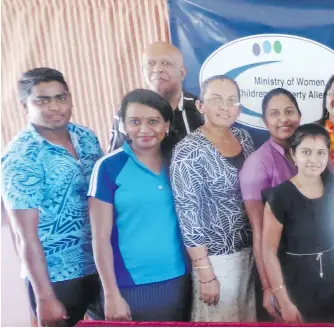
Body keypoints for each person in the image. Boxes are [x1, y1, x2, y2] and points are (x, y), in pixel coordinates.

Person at [1, 67, 103, 326]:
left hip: (101, 264)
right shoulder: (21, 157)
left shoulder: (86, 137)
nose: (55, 107)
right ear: (25, 105)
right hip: (57, 277)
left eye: (61, 97)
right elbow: (25, 235)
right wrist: (44, 297)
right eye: (42, 100)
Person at [88, 89, 190, 321]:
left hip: (179, 280)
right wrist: (111, 294)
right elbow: (99, 238)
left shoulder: (179, 162)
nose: (144, 129)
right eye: (135, 121)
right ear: (123, 125)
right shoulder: (108, 167)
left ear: (166, 125)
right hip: (129, 286)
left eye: (153, 121)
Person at [171, 75, 256, 322]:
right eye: (216, 99)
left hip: (249, 250)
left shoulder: (243, 138)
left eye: (232, 100)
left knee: (246, 316)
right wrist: (206, 274)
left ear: (239, 108)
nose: (224, 106)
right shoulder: (188, 151)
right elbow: (189, 216)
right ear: (200, 106)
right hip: (216, 259)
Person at [261, 124, 334, 323]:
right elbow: (268, 252)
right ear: (293, 154)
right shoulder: (279, 196)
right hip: (296, 286)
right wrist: (283, 300)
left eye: (320, 153)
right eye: (306, 152)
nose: (314, 160)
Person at [240, 88, 302, 320]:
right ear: (265, 121)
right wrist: (269, 288)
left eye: (289, 111)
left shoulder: (308, 155)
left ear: (300, 115)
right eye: (274, 114)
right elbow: (259, 231)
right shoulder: (257, 164)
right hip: (278, 268)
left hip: (307, 264)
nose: (283, 119)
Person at [108, 41, 204, 156]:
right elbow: (115, 164)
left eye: (166, 63)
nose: (157, 69)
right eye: (151, 63)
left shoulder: (201, 110)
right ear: (143, 71)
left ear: (182, 73)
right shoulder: (126, 112)